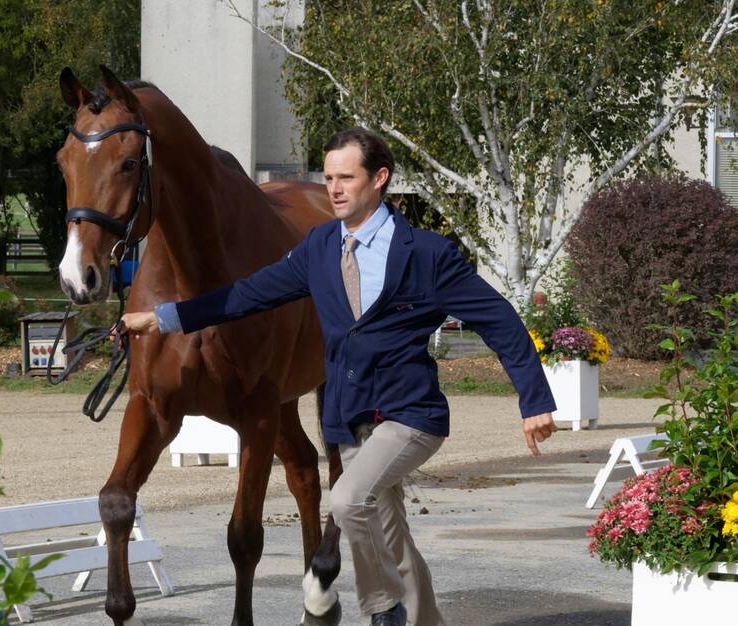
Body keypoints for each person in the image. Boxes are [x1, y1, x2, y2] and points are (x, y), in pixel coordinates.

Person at [121, 128, 557, 626]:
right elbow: (247, 295)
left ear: (380, 179)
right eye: (328, 178)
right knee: (389, 534)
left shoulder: (427, 254)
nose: (334, 189)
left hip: (409, 416)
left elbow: (500, 320)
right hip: (348, 417)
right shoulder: (320, 246)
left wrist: (534, 401)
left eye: (346, 177)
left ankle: (381, 612)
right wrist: (167, 317)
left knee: (350, 500)